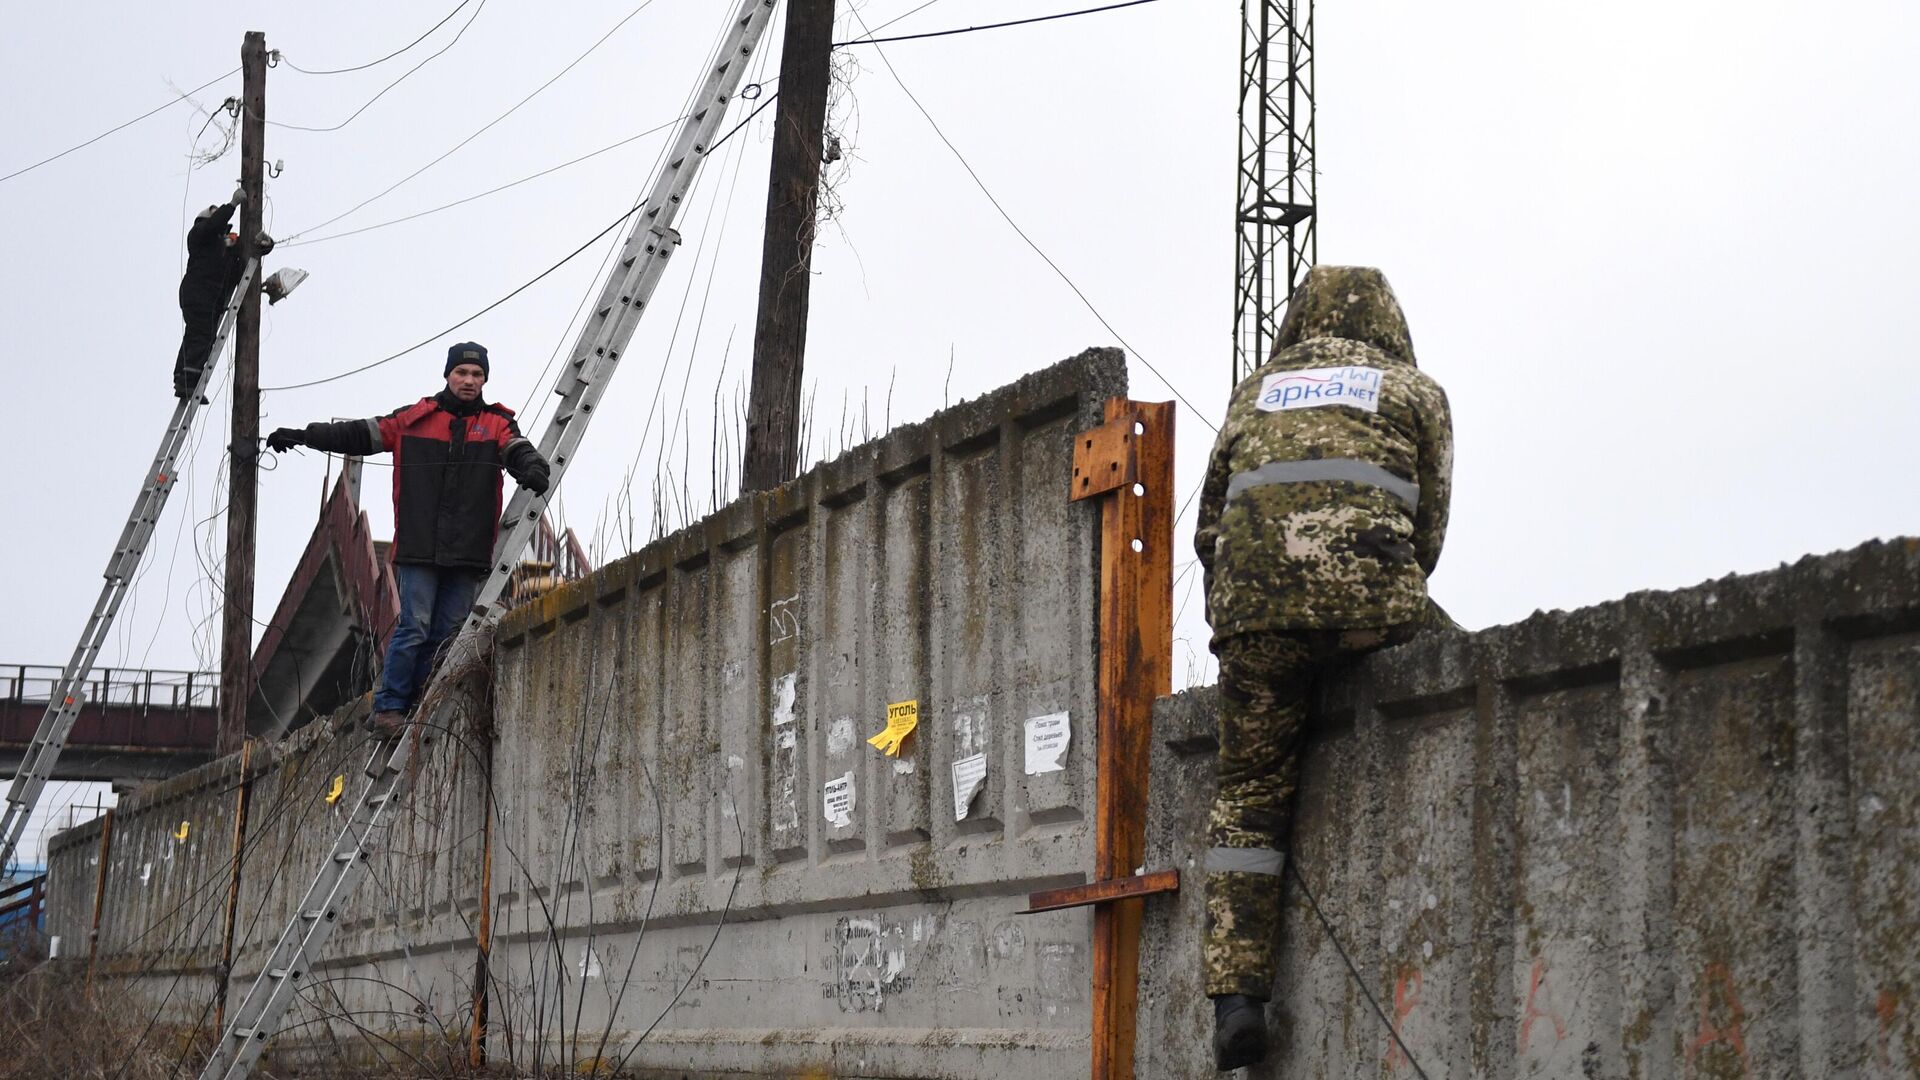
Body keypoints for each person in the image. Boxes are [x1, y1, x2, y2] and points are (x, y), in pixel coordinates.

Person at [1192, 266, 1454, 1070]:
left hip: (1255, 619)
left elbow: (1207, 532)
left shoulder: (1252, 393)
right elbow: (1429, 535)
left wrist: (1250, 610)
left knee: (1247, 797)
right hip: (1370, 603)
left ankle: (1238, 1003)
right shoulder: (1416, 392)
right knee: (1457, 655)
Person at [266, 343, 552, 735]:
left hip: (468, 552)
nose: (469, 381)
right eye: (462, 373)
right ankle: (389, 709)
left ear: (484, 379)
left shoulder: (497, 424)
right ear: (448, 375)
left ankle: (417, 705)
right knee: (414, 626)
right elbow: (357, 434)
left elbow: (517, 449)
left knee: (447, 634)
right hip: (419, 548)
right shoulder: (414, 421)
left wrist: (531, 467)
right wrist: (306, 435)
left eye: (476, 375)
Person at [173, 191, 287, 398]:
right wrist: (232, 205)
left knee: (197, 334)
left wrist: (264, 245)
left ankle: (183, 378)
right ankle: (188, 378)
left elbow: (241, 258)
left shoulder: (221, 249)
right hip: (199, 292)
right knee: (201, 334)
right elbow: (213, 226)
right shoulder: (199, 234)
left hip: (206, 295)